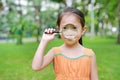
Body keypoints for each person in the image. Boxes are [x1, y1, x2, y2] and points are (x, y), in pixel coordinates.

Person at [32, 7, 98, 80]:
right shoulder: (55, 52)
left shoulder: (90, 54)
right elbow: (36, 67)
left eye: (74, 28)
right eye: (65, 28)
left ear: (83, 30)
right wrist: (44, 41)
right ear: (59, 29)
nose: (69, 32)